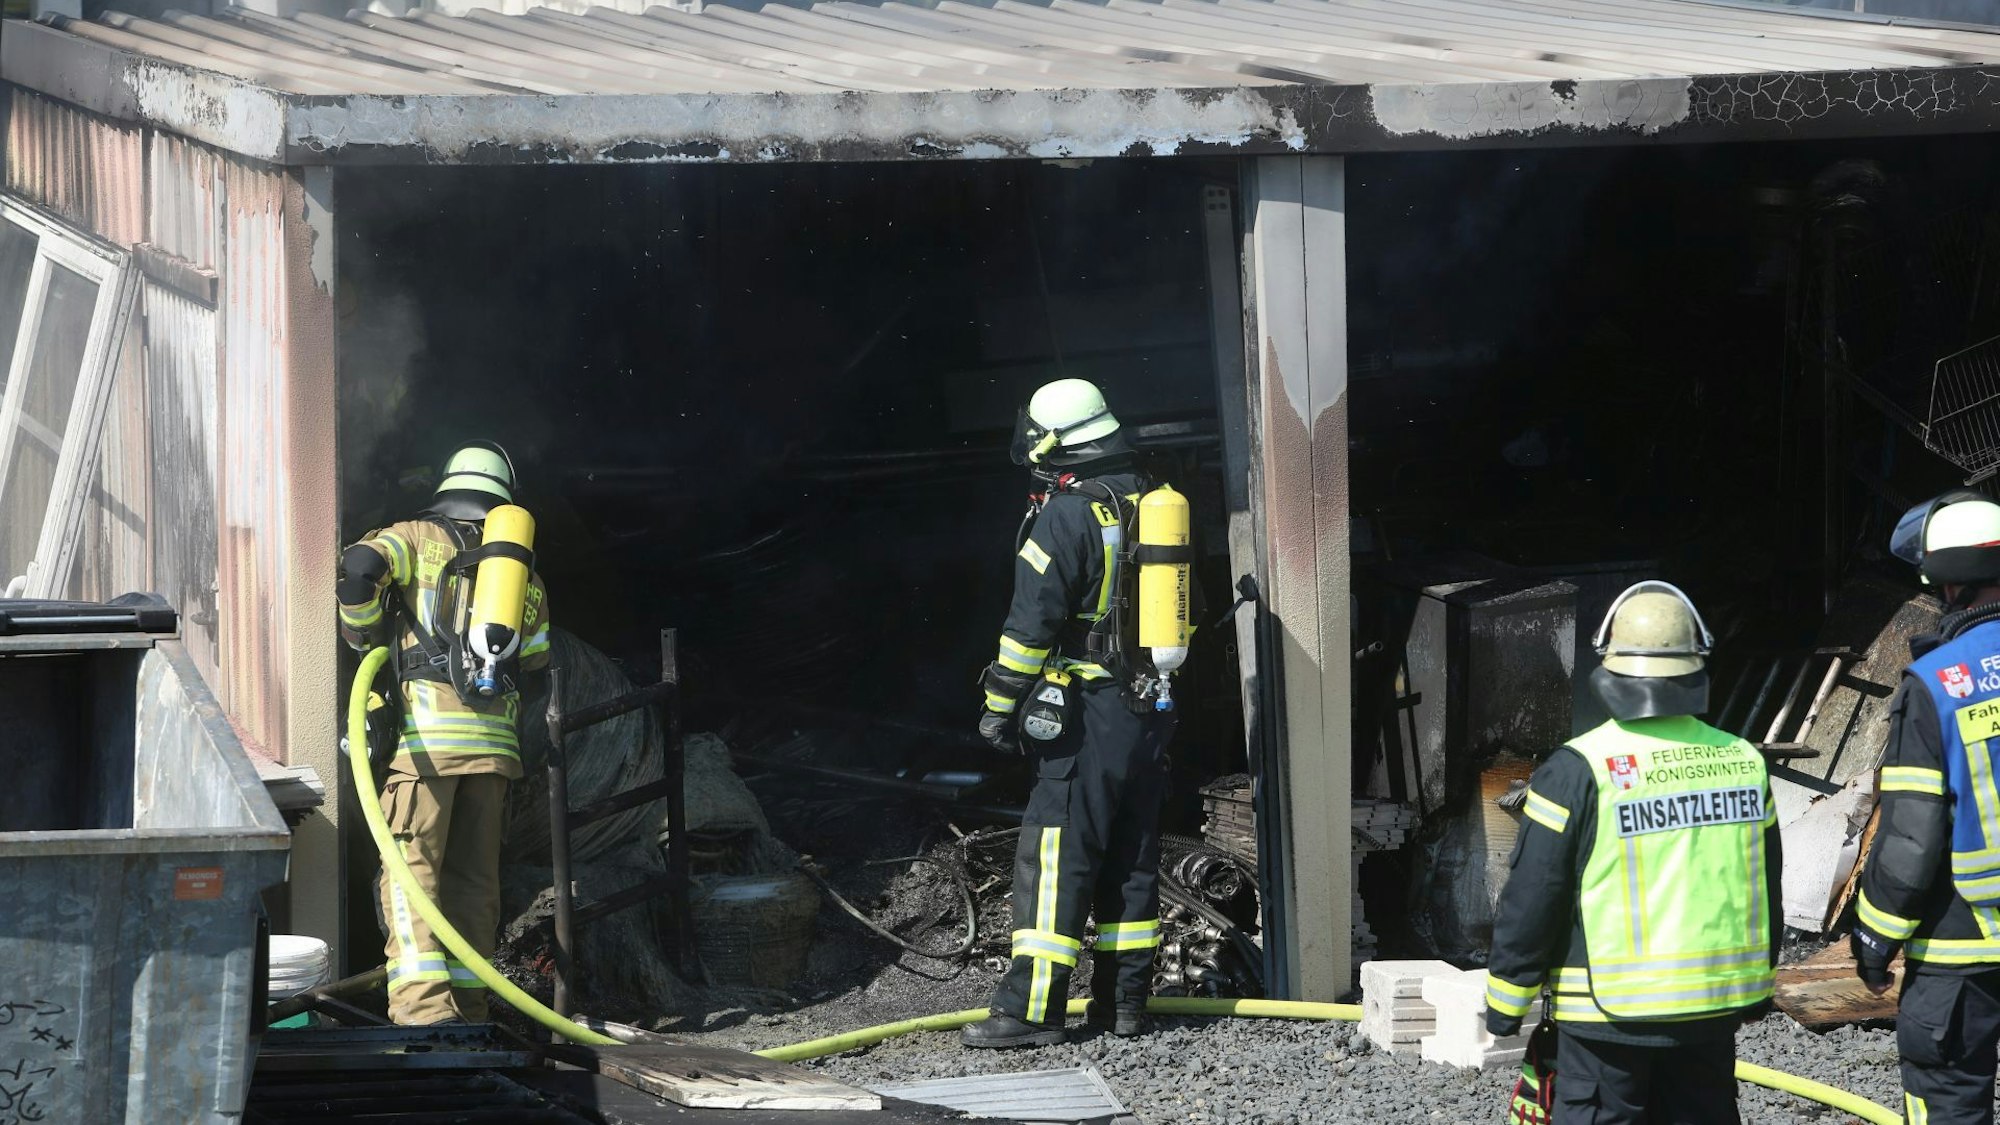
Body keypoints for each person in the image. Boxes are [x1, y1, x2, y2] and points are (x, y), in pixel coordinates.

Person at [1484, 581, 1780, 1124]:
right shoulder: (1743, 760)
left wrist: (1505, 1004)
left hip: (1606, 1022)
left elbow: (1534, 894)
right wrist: (1756, 986)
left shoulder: (1579, 769)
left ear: (1611, 670)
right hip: (1710, 1015)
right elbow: (1764, 883)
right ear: (1697, 666)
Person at [962, 378, 1179, 1049]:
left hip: (1087, 712)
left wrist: (998, 707)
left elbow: (1030, 627)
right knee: (1132, 853)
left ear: (1056, 441)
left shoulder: (1066, 514)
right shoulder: (1150, 496)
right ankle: (1125, 1004)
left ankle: (1030, 1012)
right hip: (1149, 707)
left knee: (1057, 854)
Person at [338, 440, 552, 1026]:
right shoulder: (519, 570)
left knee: (412, 875)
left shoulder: (411, 537)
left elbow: (358, 570)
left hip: (429, 747)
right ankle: (471, 1008)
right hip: (495, 753)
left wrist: (364, 636)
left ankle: (422, 1012)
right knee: (473, 883)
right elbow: (533, 659)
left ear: (447, 490)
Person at [1852, 490, 2000, 1125]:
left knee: (1949, 1100)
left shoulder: (1938, 682)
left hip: (1961, 945)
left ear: (1945, 583)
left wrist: (1874, 935)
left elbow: (1912, 839)